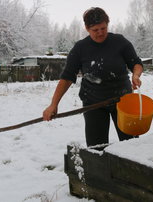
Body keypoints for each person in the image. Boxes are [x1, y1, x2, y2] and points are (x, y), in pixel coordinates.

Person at [43, 7, 143, 147]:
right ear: (87, 28)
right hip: (94, 103)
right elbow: (66, 78)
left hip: (123, 100)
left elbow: (136, 63)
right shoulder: (80, 48)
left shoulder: (120, 42)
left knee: (131, 144)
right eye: (95, 30)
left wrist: (136, 75)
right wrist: (53, 104)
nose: (100, 33)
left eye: (103, 28)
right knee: (97, 148)